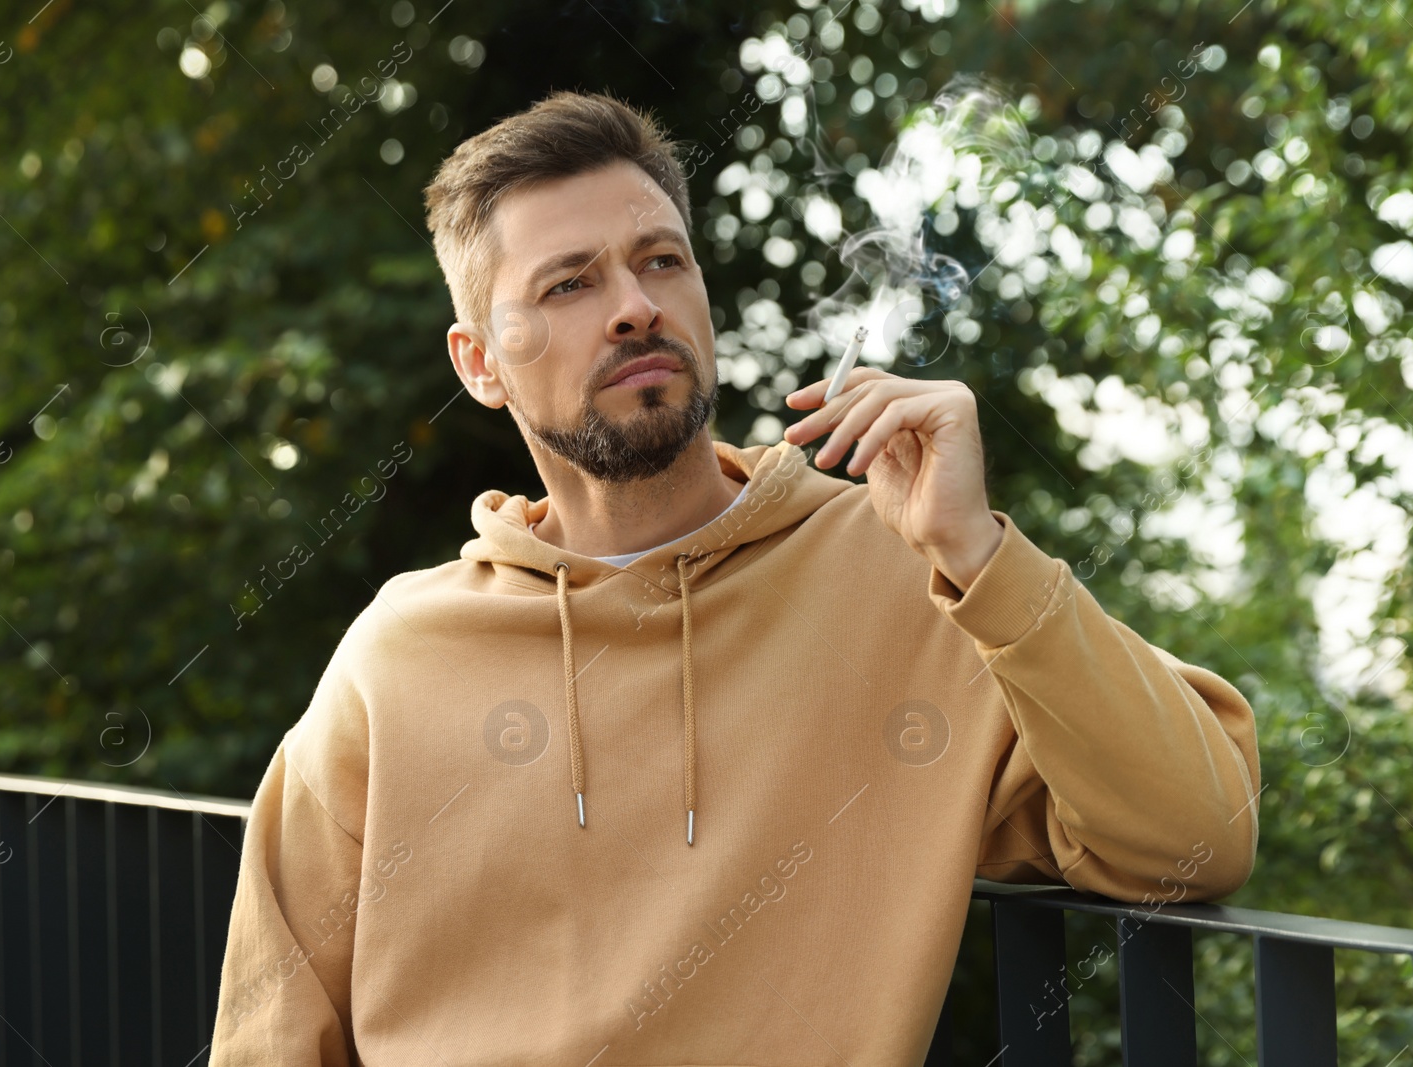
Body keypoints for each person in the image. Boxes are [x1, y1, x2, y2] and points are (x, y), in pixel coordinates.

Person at [208, 90, 1260, 1065]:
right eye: (569, 283)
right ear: (479, 361)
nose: (632, 307)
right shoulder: (399, 655)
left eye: (661, 261)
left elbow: (1193, 838)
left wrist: (980, 550)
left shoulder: (914, 580)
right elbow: (272, 1023)